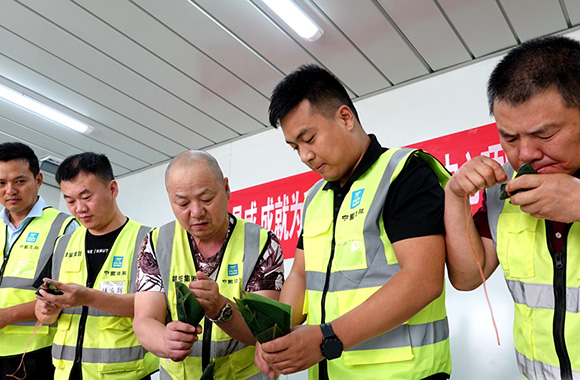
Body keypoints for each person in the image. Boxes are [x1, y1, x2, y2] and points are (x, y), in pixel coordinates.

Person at [256, 64, 452, 380]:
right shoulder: (315, 198)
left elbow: (422, 280)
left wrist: (325, 339)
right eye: (295, 147)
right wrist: (275, 335)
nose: (305, 156)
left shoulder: (403, 174)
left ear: (345, 118)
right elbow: (300, 274)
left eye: (309, 138)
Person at [444, 35, 580, 380]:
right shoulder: (504, 188)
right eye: (510, 138)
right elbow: (466, 277)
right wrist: (455, 196)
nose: (525, 155)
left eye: (545, 136)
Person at [133, 150, 285, 380]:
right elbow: (144, 320)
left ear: (226, 188)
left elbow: (265, 331)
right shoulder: (156, 243)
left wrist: (220, 309)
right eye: (182, 203)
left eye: (206, 199)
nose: (196, 213)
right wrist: (165, 341)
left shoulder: (261, 243)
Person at [34, 152, 158, 380]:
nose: (79, 208)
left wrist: (88, 297)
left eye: (86, 197)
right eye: (70, 200)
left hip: (124, 373)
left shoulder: (148, 240)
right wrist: (46, 310)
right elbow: (44, 313)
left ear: (112, 189)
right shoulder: (63, 243)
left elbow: (155, 308)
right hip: (66, 372)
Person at [0, 142, 77, 379]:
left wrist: (7, 316)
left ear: (39, 180)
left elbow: (67, 295)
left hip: (33, 354)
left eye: (20, 181)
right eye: (1, 183)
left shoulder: (65, 227)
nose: (10, 190)